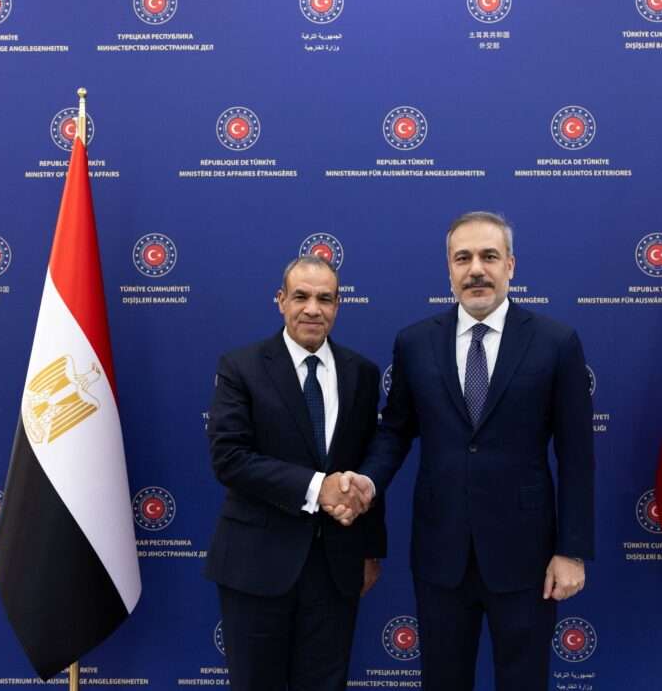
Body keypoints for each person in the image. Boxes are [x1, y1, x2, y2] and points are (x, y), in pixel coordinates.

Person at [330, 211, 595, 690]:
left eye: (489, 256)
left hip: (527, 558)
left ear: (511, 265)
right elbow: (395, 431)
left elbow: (577, 455)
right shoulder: (414, 343)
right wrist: (367, 482)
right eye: (463, 258)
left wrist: (571, 551)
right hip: (440, 553)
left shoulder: (555, 343)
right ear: (449, 270)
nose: (476, 269)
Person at [204, 255, 384, 691]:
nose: (312, 308)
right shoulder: (241, 367)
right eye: (300, 296)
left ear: (338, 306)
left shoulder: (362, 373)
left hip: (336, 568)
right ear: (280, 300)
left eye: (325, 299)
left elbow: (368, 465)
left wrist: (370, 551)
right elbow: (229, 458)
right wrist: (316, 488)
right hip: (256, 565)